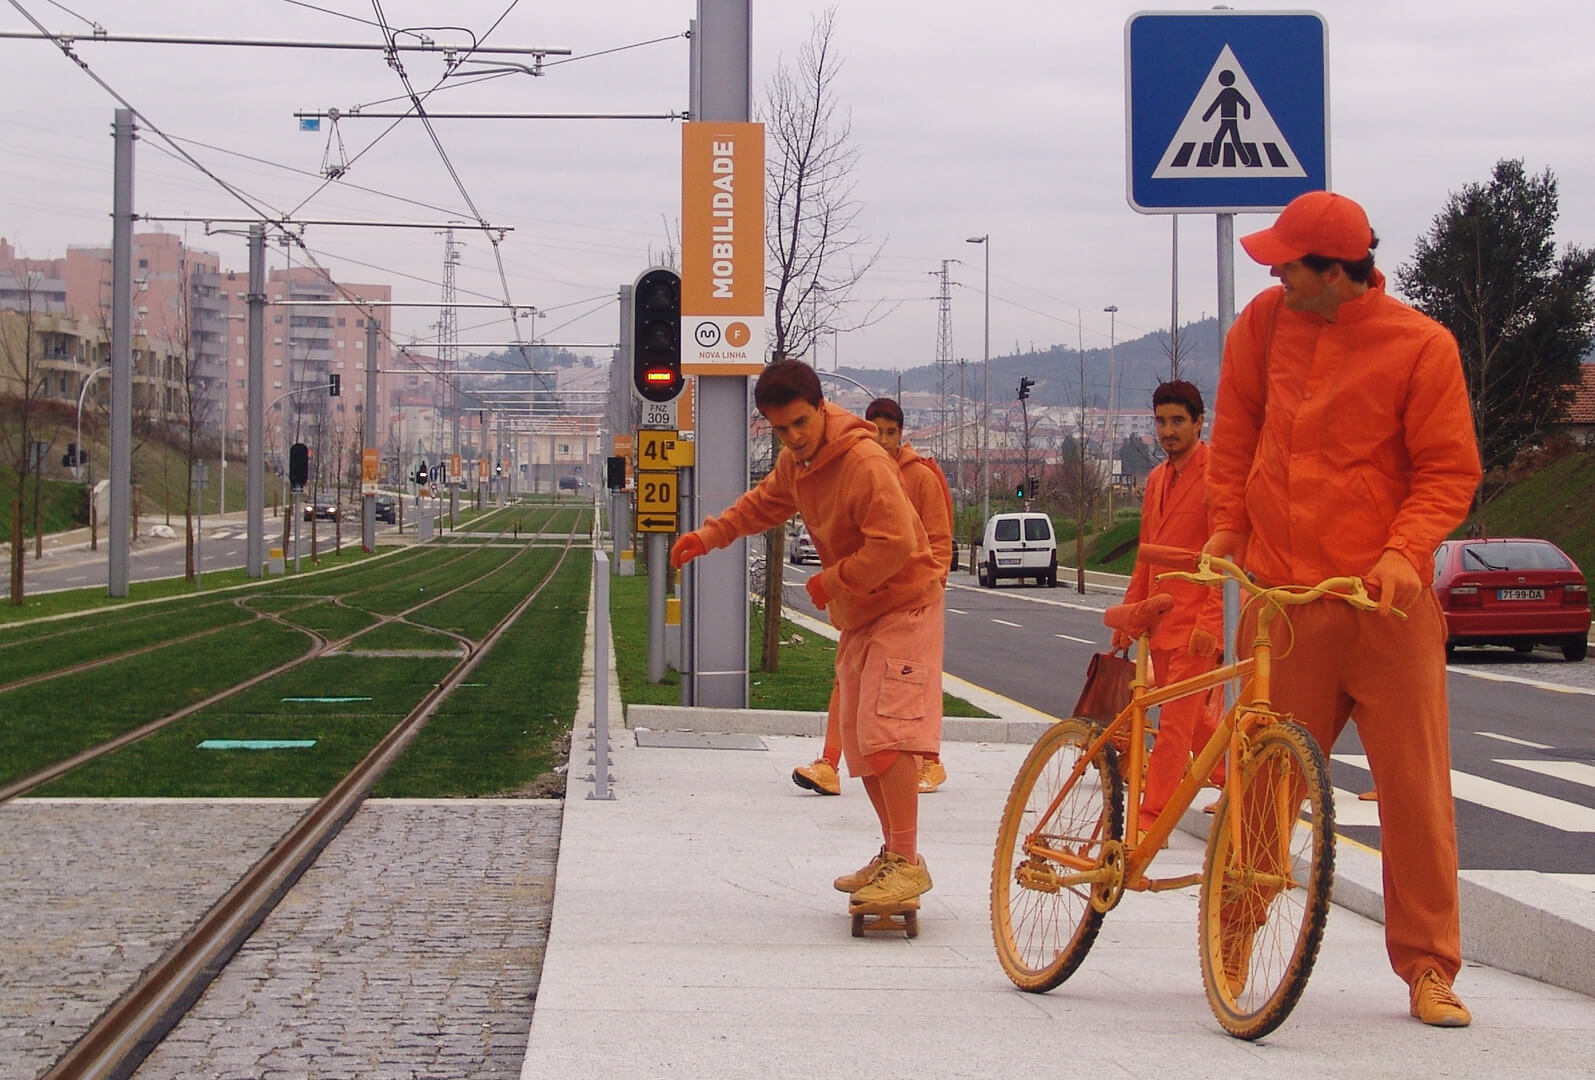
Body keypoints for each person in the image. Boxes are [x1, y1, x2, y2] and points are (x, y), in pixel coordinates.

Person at [1204, 190, 1482, 1027]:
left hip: (1383, 610)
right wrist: (1225, 526)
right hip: (1284, 604)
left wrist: (1405, 552)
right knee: (1258, 783)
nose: (1275, 274)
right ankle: (1235, 934)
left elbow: (1446, 472)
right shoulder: (1259, 324)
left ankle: (1429, 969)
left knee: (1414, 793)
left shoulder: (1421, 347)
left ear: (1335, 272)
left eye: (1289, 263)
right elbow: (1236, 430)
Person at [671, 360, 946, 913]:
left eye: (800, 423)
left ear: (822, 408)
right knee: (863, 742)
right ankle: (895, 855)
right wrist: (711, 534)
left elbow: (895, 544)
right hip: (863, 612)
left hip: (905, 603)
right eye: (780, 429)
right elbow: (765, 502)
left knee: (886, 732)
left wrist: (830, 581)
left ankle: (908, 864)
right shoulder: (799, 463)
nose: (793, 438)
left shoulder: (865, 462)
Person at [792, 397, 955, 797]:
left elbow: (939, 542)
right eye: (876, 430)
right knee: (848, 682)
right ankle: (829, 762)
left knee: (913, 686)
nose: (883, 439)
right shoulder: (857, 470)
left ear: (901, 435)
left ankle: (929, 762)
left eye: (891, 432)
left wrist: (924, 595)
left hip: (908, 603)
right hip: (865, 602)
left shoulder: (920, 478)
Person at [1111, 380, 1223, 835]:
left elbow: (1223, 554)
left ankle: (1150, 817)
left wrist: (1212, 620)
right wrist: (1129, 615)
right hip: (1161, 620)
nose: (1168, 430)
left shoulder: (1217, 475)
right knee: (1192, 717)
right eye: (1161, 421)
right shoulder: (1156, 479)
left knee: (1175, 723)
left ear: (1199, 422)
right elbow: (1147, 555)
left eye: (1178, 421)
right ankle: (1231, 774)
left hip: (1196, 623)